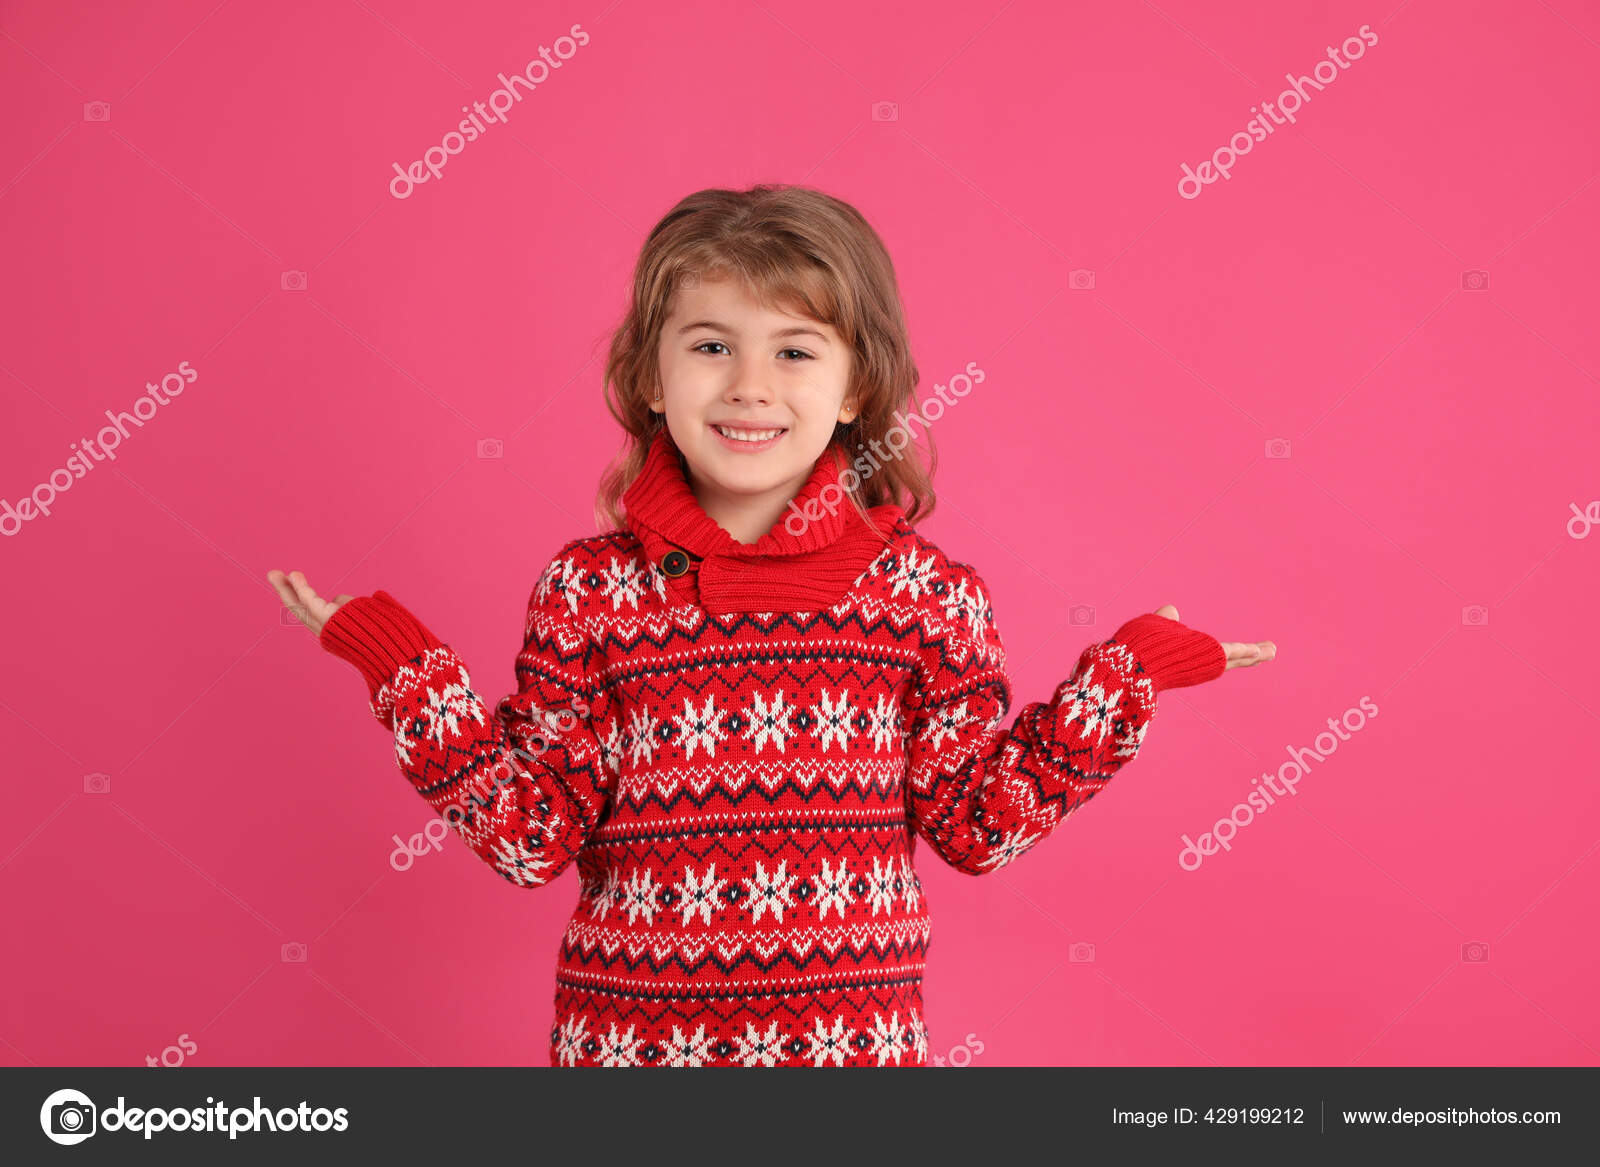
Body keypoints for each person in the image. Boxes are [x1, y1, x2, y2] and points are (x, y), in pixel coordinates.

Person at [267, 184, 1275, 1068]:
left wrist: (1125, 679)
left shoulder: (926, 599)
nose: (749, 384)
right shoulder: (590, 594)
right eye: (712, 346)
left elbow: (978, 824)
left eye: (794, 351)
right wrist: (402, 667)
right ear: (652, 377)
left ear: (857, 389)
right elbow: (530, 837)